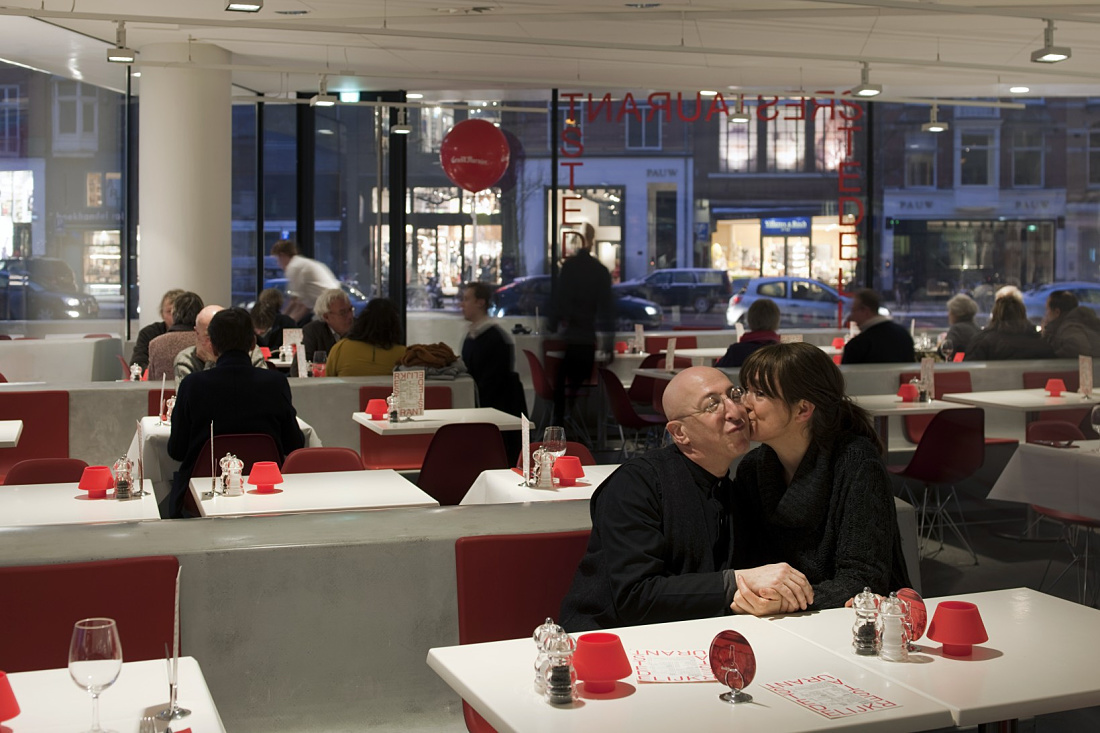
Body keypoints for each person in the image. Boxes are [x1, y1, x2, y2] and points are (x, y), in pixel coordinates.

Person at [560, 366, 814, 632]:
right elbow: (636, 596)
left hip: (697, 639)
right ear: (680, 433)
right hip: (608, 642)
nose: (735, 411)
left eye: (734, 394)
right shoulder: (636, 485)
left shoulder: (736, 488)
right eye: (712, 404)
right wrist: (736, 582)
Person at [731, 343, 911, 615]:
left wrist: (787, 600)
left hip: (855, 624)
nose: (744, 404)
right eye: (744, 390)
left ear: (803, 410)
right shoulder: (752, 468)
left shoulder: (856, 463)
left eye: (760, 393)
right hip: (776, 618)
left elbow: (864, 580)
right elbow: (746, 563)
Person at [166, 307, 304, 518]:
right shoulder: (275, 383)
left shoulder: (193, 385)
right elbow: (294, 444)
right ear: (252, 343)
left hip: (203, 492)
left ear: (211, 345)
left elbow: (176, 450)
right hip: (265, 490)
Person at [550, 222, 615, 425]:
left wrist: (553, 327)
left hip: (570, 338)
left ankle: (562, 422)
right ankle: (572, 421)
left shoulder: (569, 268)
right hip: (586, 339)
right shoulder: (600, 271)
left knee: (563, 383)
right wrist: (609, 343)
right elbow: (607, 310)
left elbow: (559, 302)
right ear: (592, 240)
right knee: (582, 383)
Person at [460, 281, 526, 417]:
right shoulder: (471, 336)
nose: (462, 305)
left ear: (480, 302)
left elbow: (492, 385)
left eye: (466, 299)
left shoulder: (495, 339)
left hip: (493, 413)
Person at [174, 304, 266, 380]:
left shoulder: (251, 352)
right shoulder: (186, 359)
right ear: (197, 333)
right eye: (208, 336)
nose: (213, 342)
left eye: (224, 335)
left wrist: (213, 362)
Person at [325, 298, 407, 377]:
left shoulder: (340, 349)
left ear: (362, 320)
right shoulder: (404, 356)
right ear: (395, 326)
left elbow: (327, 383)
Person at [271, 239, 340, 326]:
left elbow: (297, 302)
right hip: (334, 303)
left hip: (328, 307)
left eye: (277, 259)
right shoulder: (301, 263)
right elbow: (298, 301)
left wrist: (283, 324)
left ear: (282, 256)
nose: (278, 264)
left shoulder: (294, 267)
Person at [965, 296, 1053, 361]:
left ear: (995, 315)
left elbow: (970, 372)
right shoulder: (1038, 340)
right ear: (1023, 314)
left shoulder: (982, 341)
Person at [841, 289, 914, 364]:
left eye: (853, 310)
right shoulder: (904, 335)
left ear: (865, 311)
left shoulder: (858, 345)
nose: (851, 317)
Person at [146, 291, 204, 381]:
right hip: (195, 394)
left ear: (174, 314)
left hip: (163, 394)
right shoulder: (204, 342)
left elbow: (151, 382)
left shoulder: (156, 344)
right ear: (200, 314)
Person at [716, 298, 780, 368]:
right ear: (776, 321)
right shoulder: (781, 353)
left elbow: (717, 371)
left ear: (750, 320)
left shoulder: (735, 352)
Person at [130, 289, 184, 372]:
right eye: (169, 311)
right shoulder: (148, 333)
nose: (174, 316)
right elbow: (137, 364)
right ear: (162, 314)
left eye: (177, 311)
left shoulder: (195, 333)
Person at [1041, 290, 1100, 358]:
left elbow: (1080, 348)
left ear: (1057, 312)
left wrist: (1054, 357)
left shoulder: (1069, 328)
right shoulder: (1083, 323)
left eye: (1047, 309)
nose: (1046, 314)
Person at [302, 288, 355, 363]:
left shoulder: (361, 328)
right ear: (326, 317)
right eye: (343, 313)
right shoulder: (313, 331)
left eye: (350, 310)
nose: (350, 316)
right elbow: (299, 366)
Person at [943, 293, 980, 358]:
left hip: (961, 366)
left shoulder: (956, 330)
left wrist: (940, 344)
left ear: (956, 313)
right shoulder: (976, 328)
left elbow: (945, 352)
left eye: (950, 311)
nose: (948, 314)